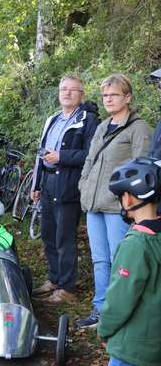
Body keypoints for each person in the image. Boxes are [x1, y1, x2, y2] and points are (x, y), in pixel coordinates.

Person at [77, 73, 152, 329]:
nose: (108, 99)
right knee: (100, 259)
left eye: (114, 94)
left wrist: (129, 204)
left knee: (120, 260)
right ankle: (100, 310)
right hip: (93, 204)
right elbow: (89, 160)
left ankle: (120, 313)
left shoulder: (139, 128)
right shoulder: (101, 126)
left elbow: (143, 167)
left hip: (118, 207)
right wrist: (84, 185)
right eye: (105, 95)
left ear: (127, 97)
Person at [29, 74, 99, 305]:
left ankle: (67, 288)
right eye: (63, 89)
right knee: (49, 234)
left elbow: (91, 155)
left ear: (82, 94)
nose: (67, 93)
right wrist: (36, 184)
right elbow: (41, 153)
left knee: (64, 237)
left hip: (69, 183)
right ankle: (55, 279)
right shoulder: (53, 119)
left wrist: (62, 156)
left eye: (73, 90)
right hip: (48, 182)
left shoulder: (88, 120)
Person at [97, 157, 161, 366]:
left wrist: (104, 329)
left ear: (129, 198)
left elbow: (120, 298)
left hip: (132, 350)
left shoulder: (136, 245)